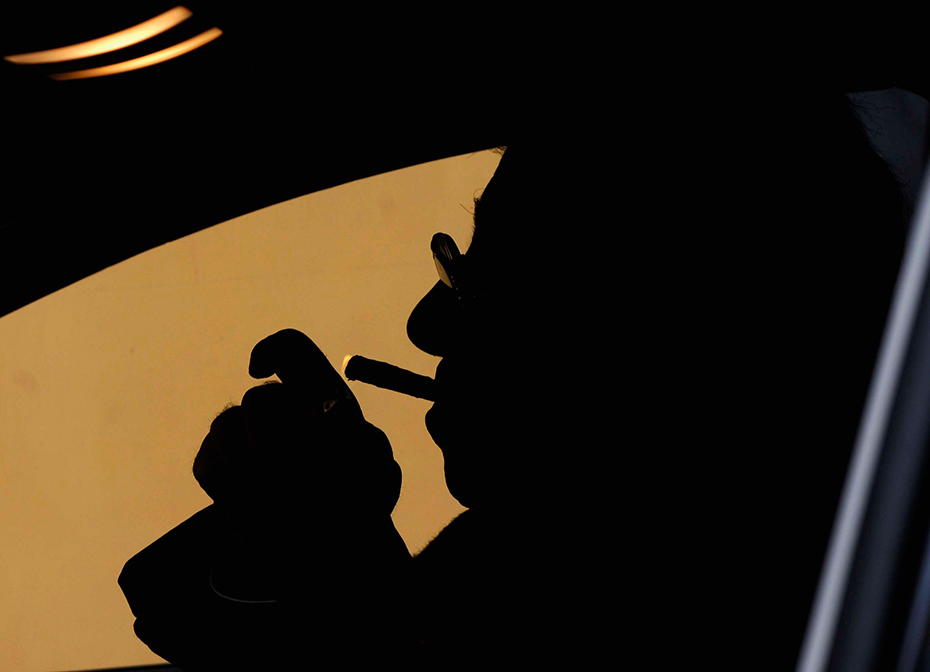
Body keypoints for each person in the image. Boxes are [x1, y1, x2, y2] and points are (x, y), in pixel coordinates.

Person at [119, 87, 912, 668]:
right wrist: (331, 544)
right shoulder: (533, 559)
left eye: (480, 275)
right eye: (453, 261)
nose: (424, 325)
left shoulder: (692, 610)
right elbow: (173, 605)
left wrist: (342, 570)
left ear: (653, 336)